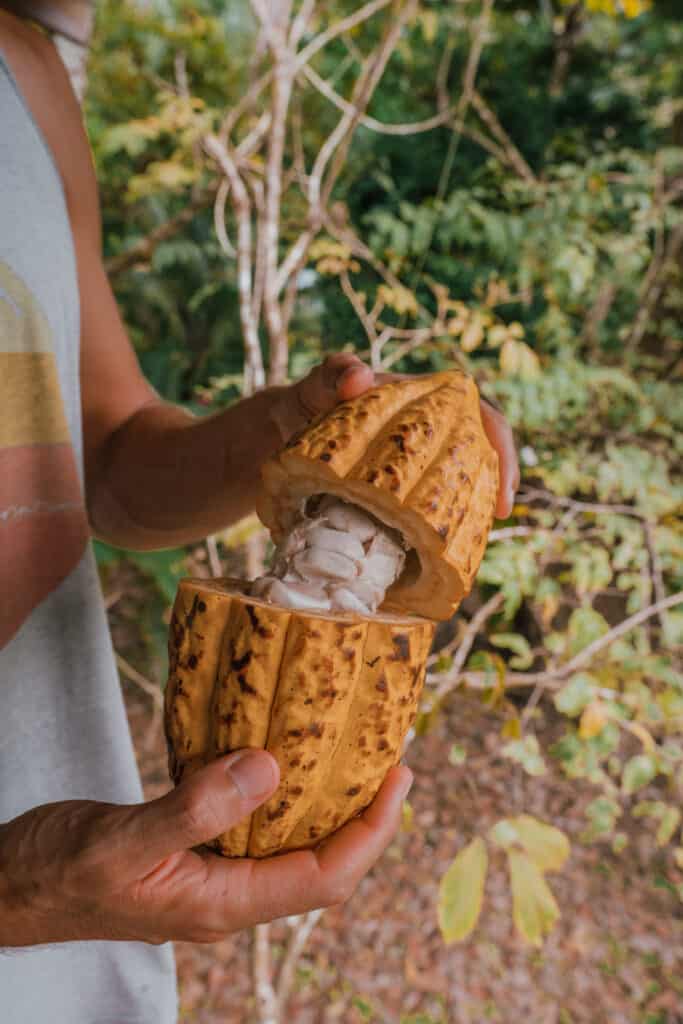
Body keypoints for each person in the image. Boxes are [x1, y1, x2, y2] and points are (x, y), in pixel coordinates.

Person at [0, 5, 520, 1022]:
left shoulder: (26, 78)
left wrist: (291, 431)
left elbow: (99, 460)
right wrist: (15, 889)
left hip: (85, 972)